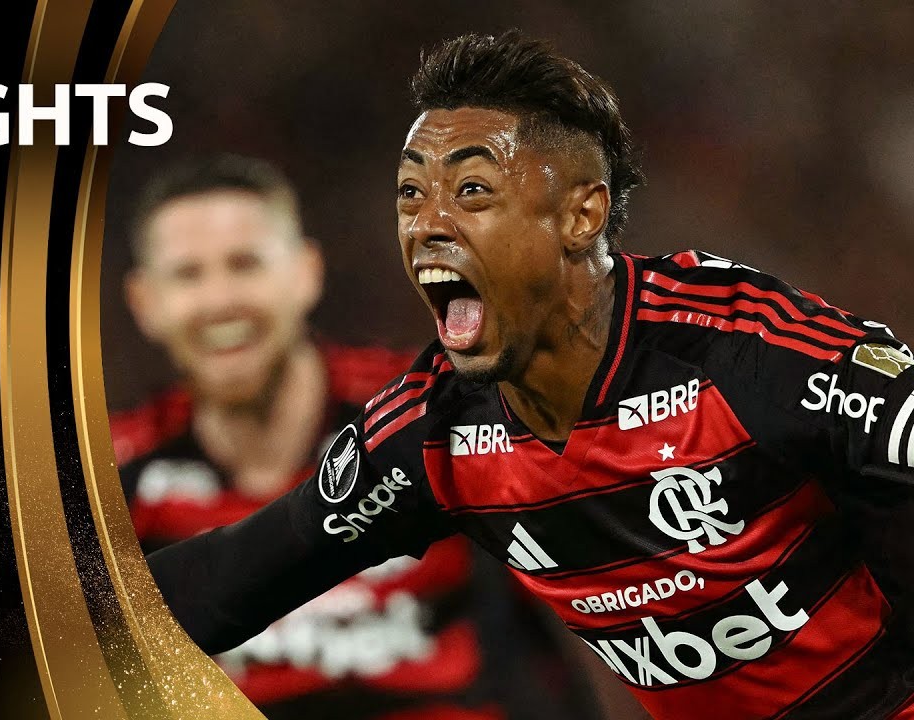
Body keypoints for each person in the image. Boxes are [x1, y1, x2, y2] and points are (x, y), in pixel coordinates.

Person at [146, 30, 914, 720]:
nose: (427, 225)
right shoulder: (439, 435)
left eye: (472, 191)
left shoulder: (737, 350)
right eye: (412, 193)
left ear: (581, 217)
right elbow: (229, 580)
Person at [112, 154, 608, 719]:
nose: (220, 300)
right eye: (187, 275)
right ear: (144, 303)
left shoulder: (432, 417)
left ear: (306, 273)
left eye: (245, 264)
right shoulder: (107, 485)